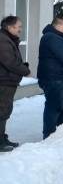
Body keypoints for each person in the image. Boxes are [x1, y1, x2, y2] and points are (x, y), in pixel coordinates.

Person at [0, 16, 31, 151]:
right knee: (2, 111)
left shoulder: (7, 39)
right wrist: (25, 70)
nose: (21, 29)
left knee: (5, 111)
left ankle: (2, 137)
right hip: (4, 81)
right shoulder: (3, 40)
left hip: (7, 81)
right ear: (9, 27)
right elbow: (9, 61)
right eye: (18, 27)